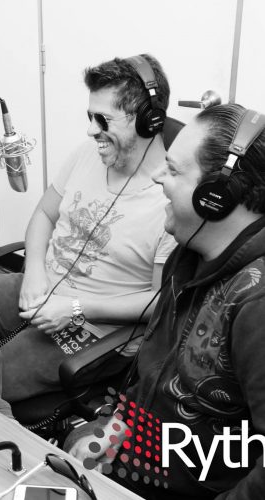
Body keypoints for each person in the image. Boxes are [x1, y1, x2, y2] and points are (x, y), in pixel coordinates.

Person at [0, 54, 176, 417]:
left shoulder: (171, 199)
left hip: (93, 329)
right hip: (43, 291)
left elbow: (160, 303)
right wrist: (33, 273)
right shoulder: (87, 154)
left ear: (147, 119)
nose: (91, 131)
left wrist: (75, 308)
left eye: (103, 120)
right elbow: (44, 214)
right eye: (90, 117)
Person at [67, 103, 265, 499]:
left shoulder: (256, 304)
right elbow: (155, 369)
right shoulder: (187, 255)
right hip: (142, 452)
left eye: (173, 170)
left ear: (216, 196)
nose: (158, 175)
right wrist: (117, 426)